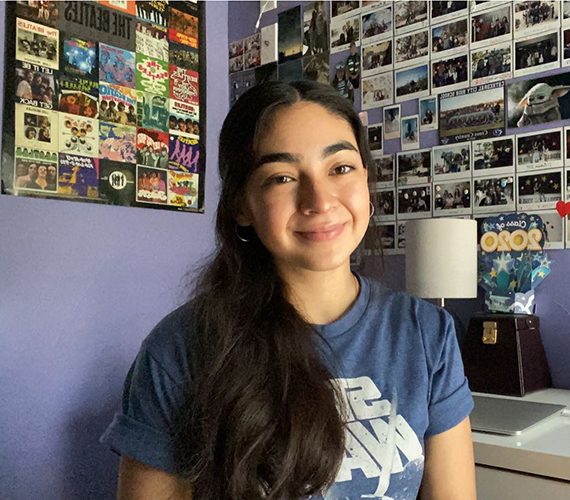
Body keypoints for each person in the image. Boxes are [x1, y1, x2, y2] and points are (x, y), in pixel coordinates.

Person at [102, 81, 476, 500]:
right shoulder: (180, 349)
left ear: (366, 181)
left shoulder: (427, 333)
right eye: (281, 177)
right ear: (242, 205)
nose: (319, 200)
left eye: (340, 168)